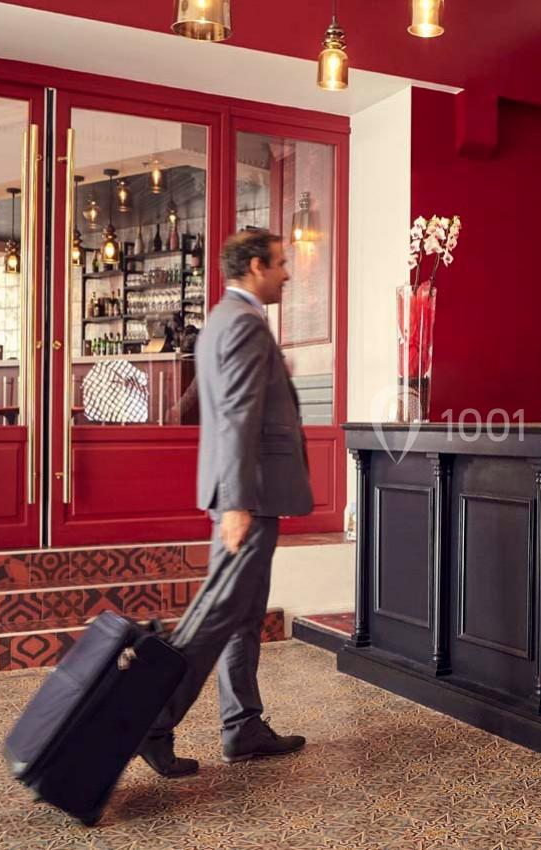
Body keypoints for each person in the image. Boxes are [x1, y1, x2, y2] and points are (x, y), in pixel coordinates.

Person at [138, 228, 313, 777]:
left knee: (242, 613)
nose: (288, 273)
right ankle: (153, 722)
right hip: (248, 497)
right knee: (217, 615)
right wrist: (236, 502)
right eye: (281, 263)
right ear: (257, 266)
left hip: (247, 493)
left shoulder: (222, 319)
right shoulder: (242, 323)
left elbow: (215, 404)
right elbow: (237, 414)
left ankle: (242, 726)